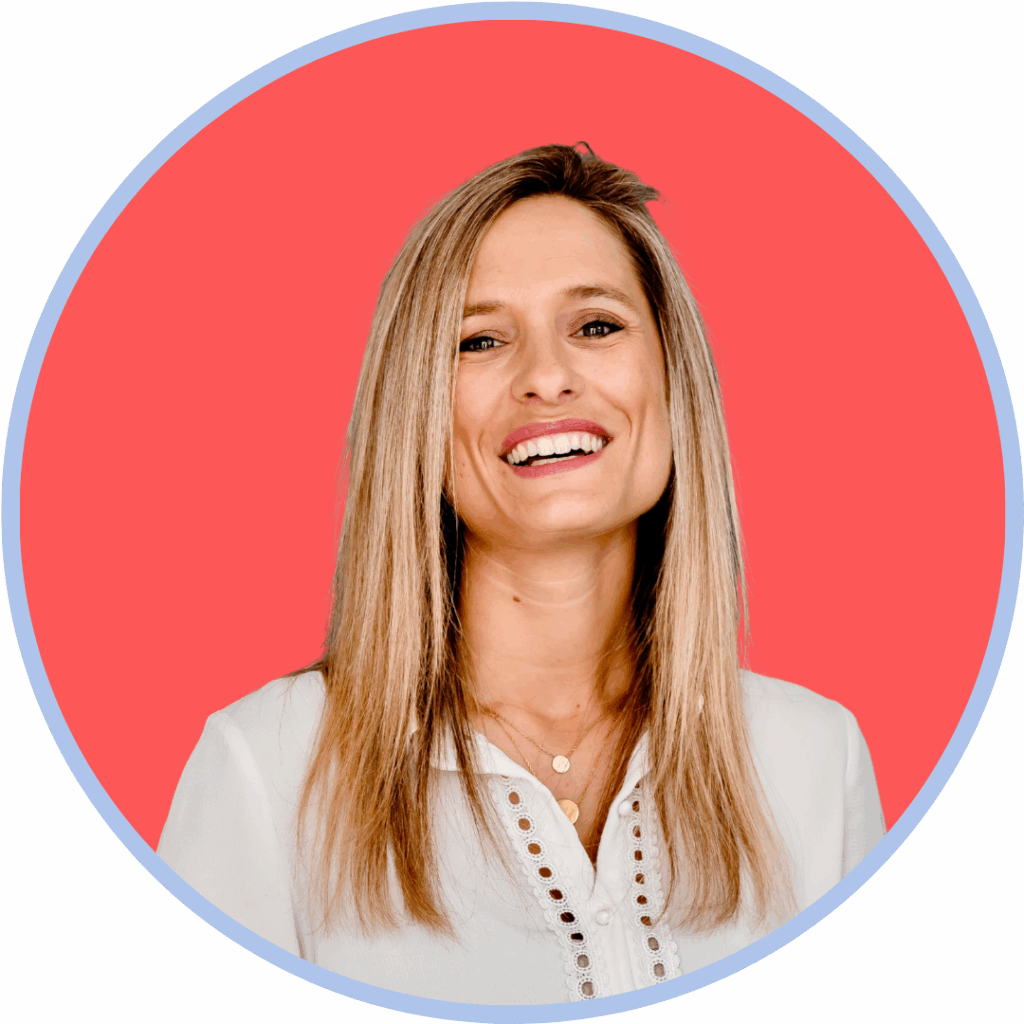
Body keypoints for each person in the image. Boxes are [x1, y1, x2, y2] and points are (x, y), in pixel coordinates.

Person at [158, 144, 885, 1005]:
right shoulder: (268, 769)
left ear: (671, 379)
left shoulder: (811, 757)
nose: (546, 377)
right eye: (481, 340)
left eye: (597, 326)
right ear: (418, 412)